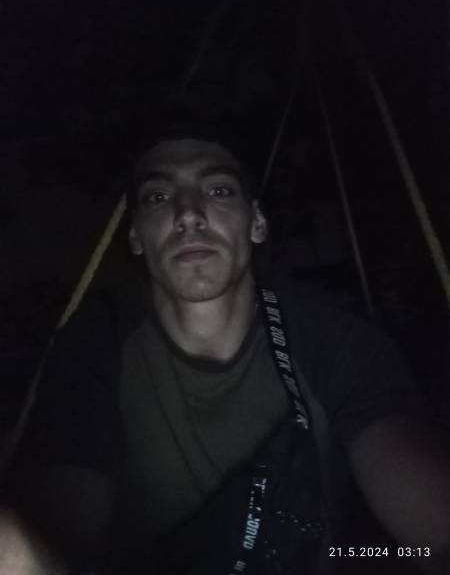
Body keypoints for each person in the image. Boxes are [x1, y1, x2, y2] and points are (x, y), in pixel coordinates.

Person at [2, 114, 450, 575]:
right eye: (158, 197)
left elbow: (429, 527)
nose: (188, 214)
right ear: (136, 235)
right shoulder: (98, 341)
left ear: (257, 223)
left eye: (218, 191)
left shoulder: (334, 341)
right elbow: (63, 537)